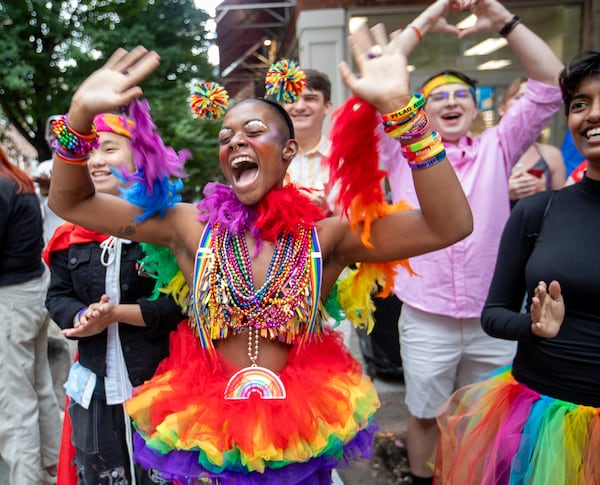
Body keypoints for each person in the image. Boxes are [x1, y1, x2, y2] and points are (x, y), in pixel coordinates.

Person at [47, 19, 473, 483]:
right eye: (226, 138)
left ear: (289, 150)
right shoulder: (191, 228)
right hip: (206, 432)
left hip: (302, 428)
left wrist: (402, 112)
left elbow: (448, 224)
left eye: (252, 130)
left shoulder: (326, 238)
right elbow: (71, 201)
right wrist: (78, 116)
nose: (236, 143)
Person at [377, 0, 564, 483]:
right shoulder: (399, 150)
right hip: (425, 315)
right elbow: (380, 80)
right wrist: (430, 15)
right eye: (438, 96)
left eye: (461, 94)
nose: (451, 102)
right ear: (421, 108)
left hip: (493, 316)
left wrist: (499, 17)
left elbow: (551, 82)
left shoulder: (498, 147)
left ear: (475, 105)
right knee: (422, 415)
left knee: (492, 419)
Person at [435, 50, 600, 485]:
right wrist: (533, 326)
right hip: (538, 423)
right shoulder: (537, 211)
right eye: (580, 104)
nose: (591, 114)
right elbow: (494, 313)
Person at [44, 109, 187, 484]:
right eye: (89, 151)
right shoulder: (68, 237)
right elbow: (57, 296)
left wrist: (119, 313)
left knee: (162, 473)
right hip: (94, 387)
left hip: (160, 381)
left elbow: (181, 305)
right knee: (101, 473)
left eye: (108, 148)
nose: (96, 160)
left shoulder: (166, 229)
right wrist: (80, 317)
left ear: (140, 156)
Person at [0, 145, 62, 484]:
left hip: (10, 302)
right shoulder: (17, 181)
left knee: (13, 402)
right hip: (33, 292)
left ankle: (27, 478)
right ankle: (54, 467)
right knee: (39, 387)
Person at [498, 76, 566, 207]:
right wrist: (503, 193)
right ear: (501, 108)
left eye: (532, 101)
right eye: (519, 97)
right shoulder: (486, 153)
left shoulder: (551, 155)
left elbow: (562, 208)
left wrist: (542, 192)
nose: (526, 106)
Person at [283, 68, 333, 212]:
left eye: (310, 98)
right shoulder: (267, 159)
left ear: (327, 107)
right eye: (291, 99)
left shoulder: (345, 160)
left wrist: (327, 210)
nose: (299, 107)